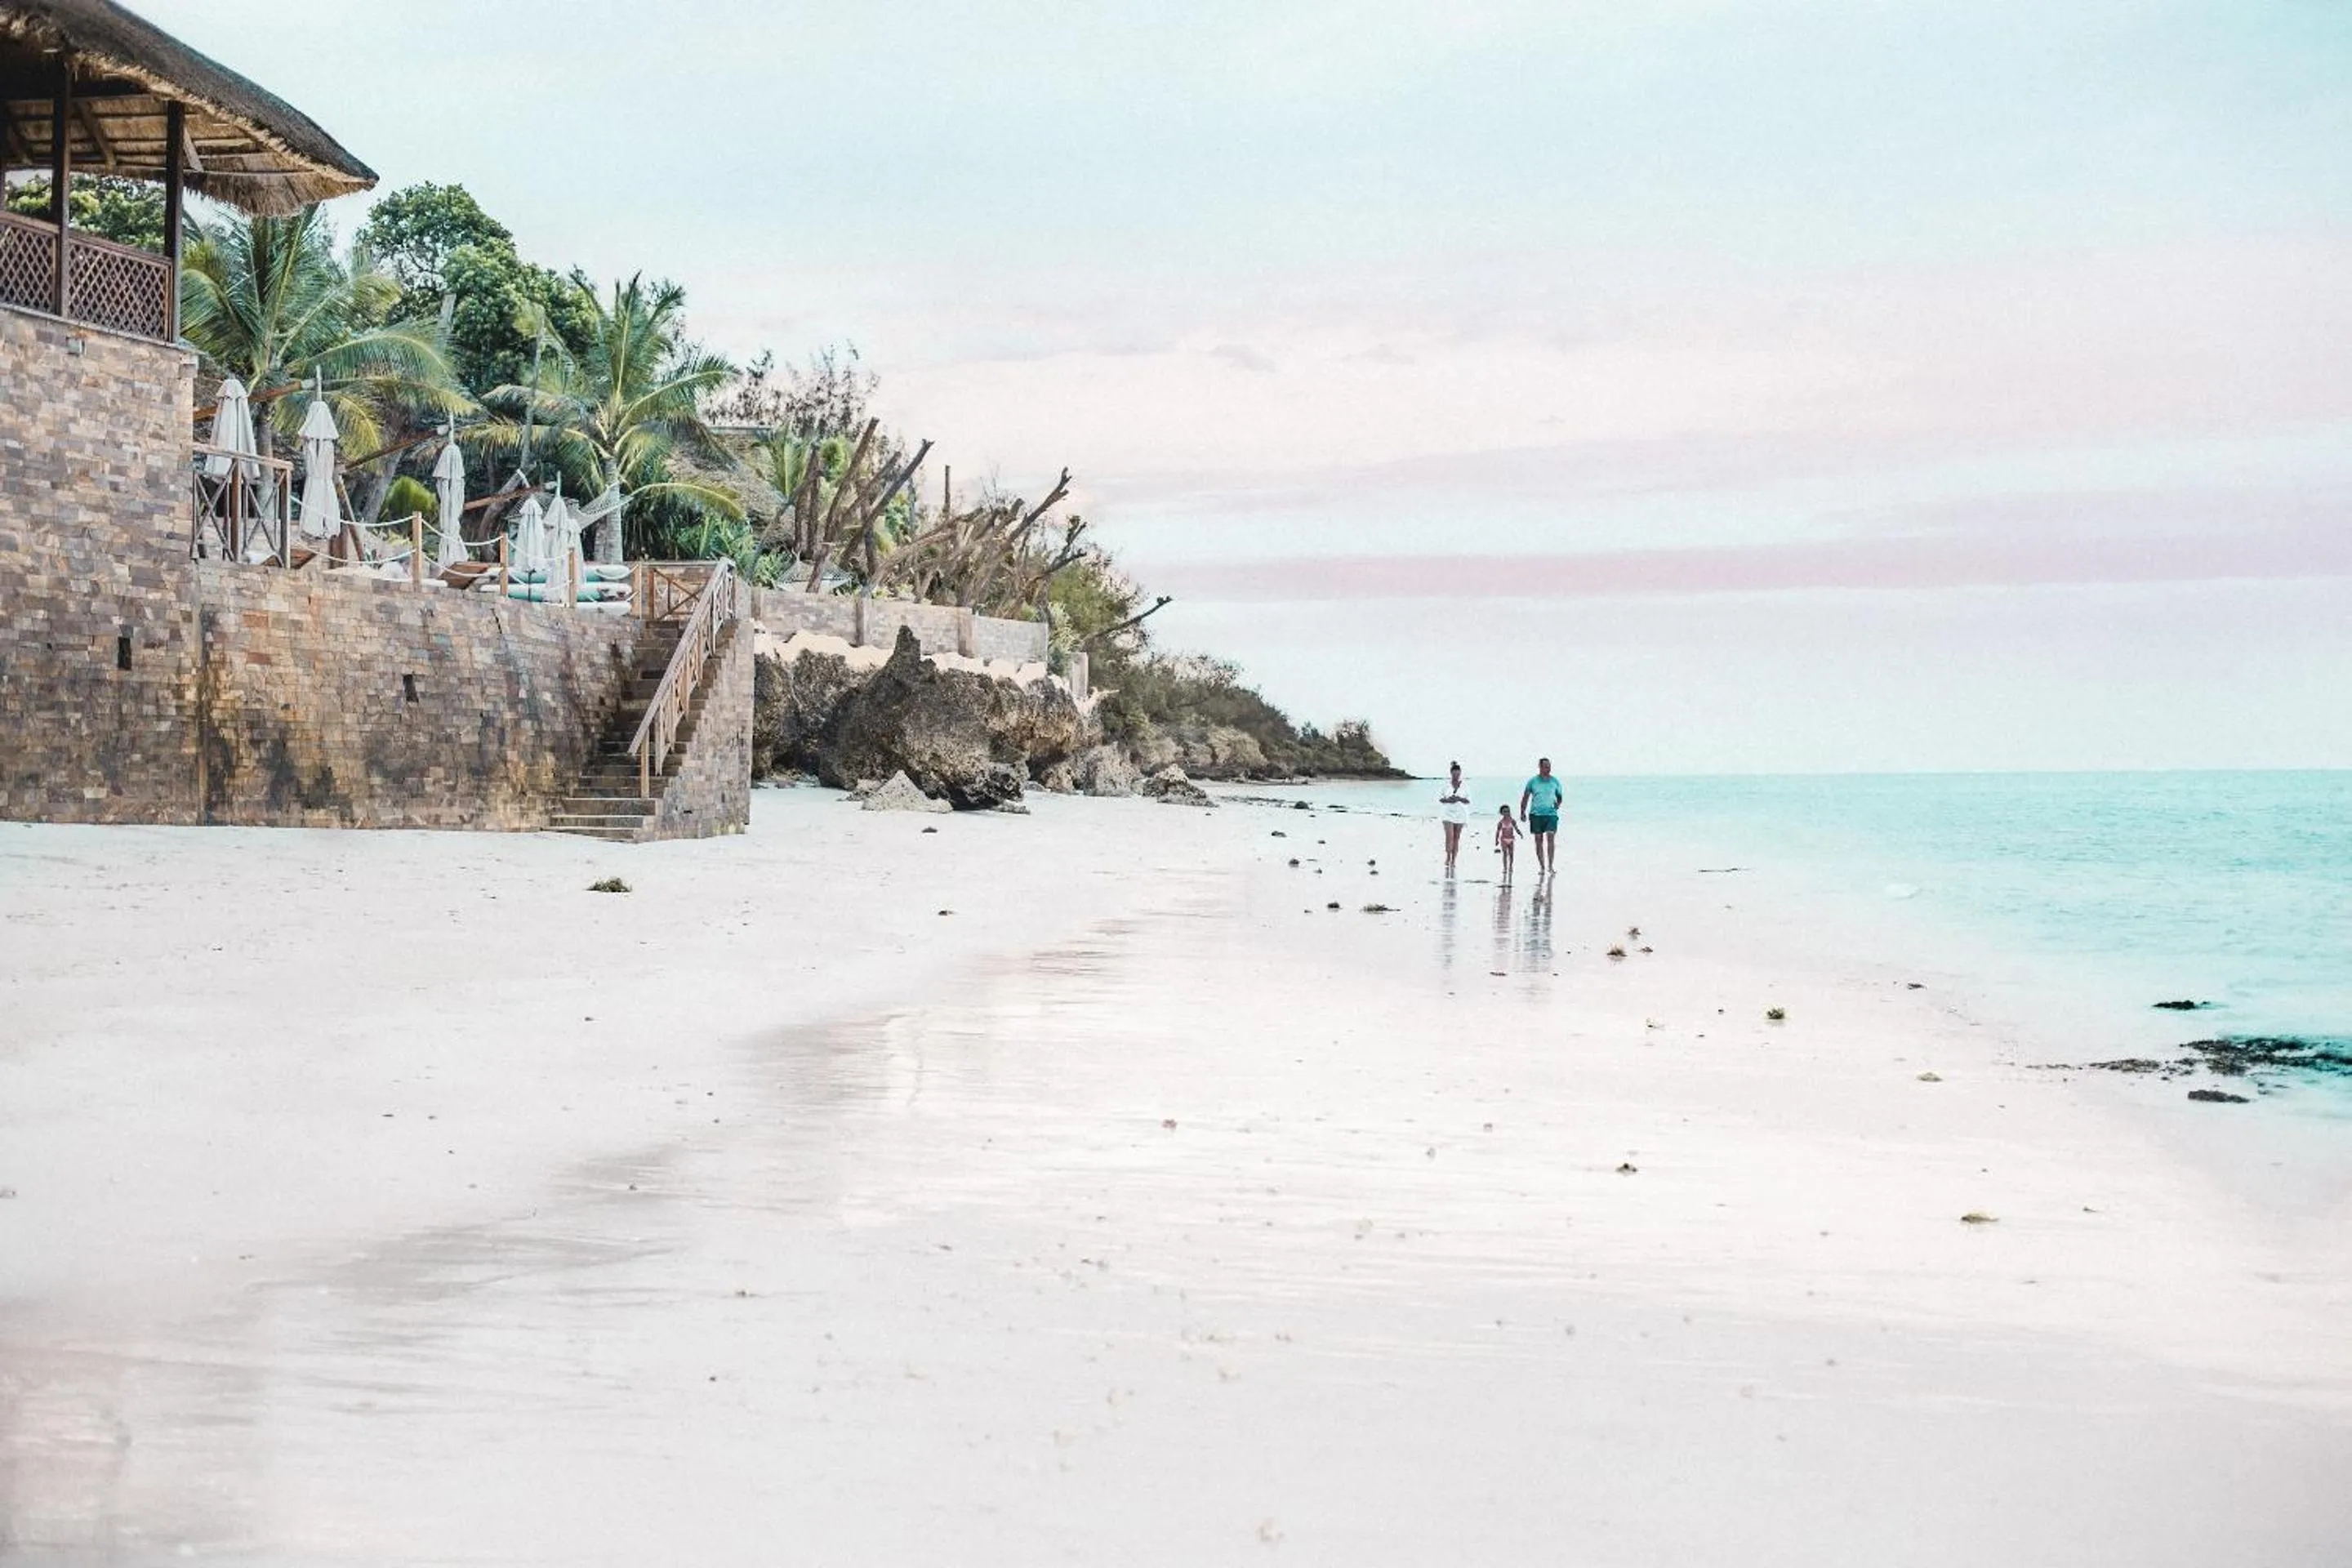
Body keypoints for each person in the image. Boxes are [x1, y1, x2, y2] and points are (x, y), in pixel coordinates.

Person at [1518, 757, 1565, 878]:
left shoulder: (1555, 781)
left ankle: (1550, 866)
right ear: (1540, 767)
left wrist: (1558, 805)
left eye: (1549, 766)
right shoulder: (1533, 781)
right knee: (1538, 841)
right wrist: (1522, 812)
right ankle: (1542, 867)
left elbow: (1559, 797)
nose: (1548, 769)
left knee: (1550, 837)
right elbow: (1525, 797)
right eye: (1545, 766)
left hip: (1551, 815)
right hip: (1536, 815)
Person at [1438, 762, 1472, 875]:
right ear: (1451, 773)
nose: (1456, 776)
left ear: (1460, 773)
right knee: (1450, 836)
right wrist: (1449, 800)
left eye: (1458, 774)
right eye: (1454, 774)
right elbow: (1441, 799)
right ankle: (1448, 856)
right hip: (1447, 814)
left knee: (1457, 838)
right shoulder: (1446, 785)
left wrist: (1459, 798)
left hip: (1460, 814)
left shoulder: (1465, 786)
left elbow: (1468, 801)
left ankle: (1454, 859)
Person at [1494, 804, 1519, 882]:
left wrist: (1520, 833)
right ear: (1502, 813)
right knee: (1505, 853)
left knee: (1511, 854)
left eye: (1508, 811)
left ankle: (1510, 867)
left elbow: (1516, 828)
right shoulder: (1501, 822)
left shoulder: (1512, 821)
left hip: (1511, 839)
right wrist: (1496, 840)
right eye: (1505, 812)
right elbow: (1498, 831)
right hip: (1503, 839)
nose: (1507, 813)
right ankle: (1505, 868)